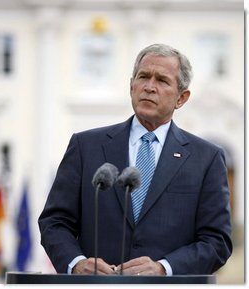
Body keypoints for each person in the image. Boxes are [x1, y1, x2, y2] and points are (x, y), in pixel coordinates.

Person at [38, 43, 232, 276]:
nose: (149, 87)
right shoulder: (85, 146)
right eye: (143, 77)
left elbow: (217, 241)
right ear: (131, 86)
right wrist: (76, 263)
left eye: (162, 80)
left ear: (182, 98)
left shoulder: (207, 158)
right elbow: (55, 222)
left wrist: (164, 268)